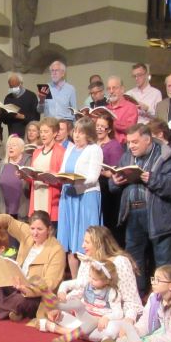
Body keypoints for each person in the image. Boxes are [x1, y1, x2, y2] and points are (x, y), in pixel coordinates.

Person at [109, 124, 171, 295]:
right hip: (133, 215)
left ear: (148, 139)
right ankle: (135, 296)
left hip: (160, 216)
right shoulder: (127, 157)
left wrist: (152, 179)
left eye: (135, 142)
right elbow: (113, 186)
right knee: (134, 260)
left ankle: (167, 299)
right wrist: (114, 182)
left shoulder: (169, 156)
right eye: (129, 143)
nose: (131, 146)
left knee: (163, 262)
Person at [0, 212, 66, 320]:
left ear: (49, 229)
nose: (35, 233)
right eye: (32, 228)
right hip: (15, 285)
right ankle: (9, 308)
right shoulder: (27, 233)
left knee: (22, 301)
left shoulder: (57, 250)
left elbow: (50, 283)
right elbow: (9, 220)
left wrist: (26, 289)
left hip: (34, 295)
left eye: (40, 229)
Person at [36, 260, 122, 342]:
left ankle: (64, 337)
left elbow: (119, 313)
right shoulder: (87, 283)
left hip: (97, 325)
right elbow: (66, 284)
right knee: (77, 303)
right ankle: (56, 305)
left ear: (106, 281)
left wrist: (106, 317)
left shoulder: (112, 292)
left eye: (95, 279)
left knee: (112, 328)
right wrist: (62, 292)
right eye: (90, 276)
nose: (90, 280)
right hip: (82, 315)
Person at [57, 117, 103, 278]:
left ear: (89, 134)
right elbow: (63, 170)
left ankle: (90, 280)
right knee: (70, 243)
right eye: (75, 131)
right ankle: (76, 281)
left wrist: (77, 182)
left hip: (86, 196)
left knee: (85, 241)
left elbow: (93, 177)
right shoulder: (69, 148)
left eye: (81, 133)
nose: (77, 135)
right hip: (69, 196)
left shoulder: (94, 149)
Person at [28, 117, 65, 225]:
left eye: (46, 132)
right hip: (36, 199)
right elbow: (33, 179)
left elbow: (63, 180)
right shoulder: (36, 152)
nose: (43, 135)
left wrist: (46, 178)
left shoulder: (61, 152)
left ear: (54, 133)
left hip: (51, 202)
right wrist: (24, 176)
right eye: (41, 132)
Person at [96, 113, 125, 243]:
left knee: (107, 223)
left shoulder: (114, 145)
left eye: (103, 126)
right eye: (97, 125)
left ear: (109, 129)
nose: (99, 128)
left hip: (107, 190)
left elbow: (115, 173)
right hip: (94, 187)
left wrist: (99, 170)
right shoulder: (92, 143)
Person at [0, 135, 31, 220]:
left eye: (14, 145)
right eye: (8, 146)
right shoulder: (2, 165)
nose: (10, 147)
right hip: (4, 211)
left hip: (23, 211)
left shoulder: (28, 162)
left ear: (22, 149)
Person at [2, 72, 40, 138]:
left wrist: (22, 117)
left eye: (15, 86)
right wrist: (4, 114)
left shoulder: (31, 96)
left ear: (21, 84)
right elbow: (5, 121)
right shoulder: (8, 98)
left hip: (28, 135)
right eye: (11, 86)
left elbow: (36, 118)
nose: (13, 88)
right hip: (13, 134)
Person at [105, 76, 139, 144]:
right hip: (106, 145)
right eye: (109, 89)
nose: (111, 91)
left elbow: (131, 129)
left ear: (122, 89)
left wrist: (112, 123)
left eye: (114, 88)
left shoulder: (131, 107)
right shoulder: (106, 108)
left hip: (123, 146)